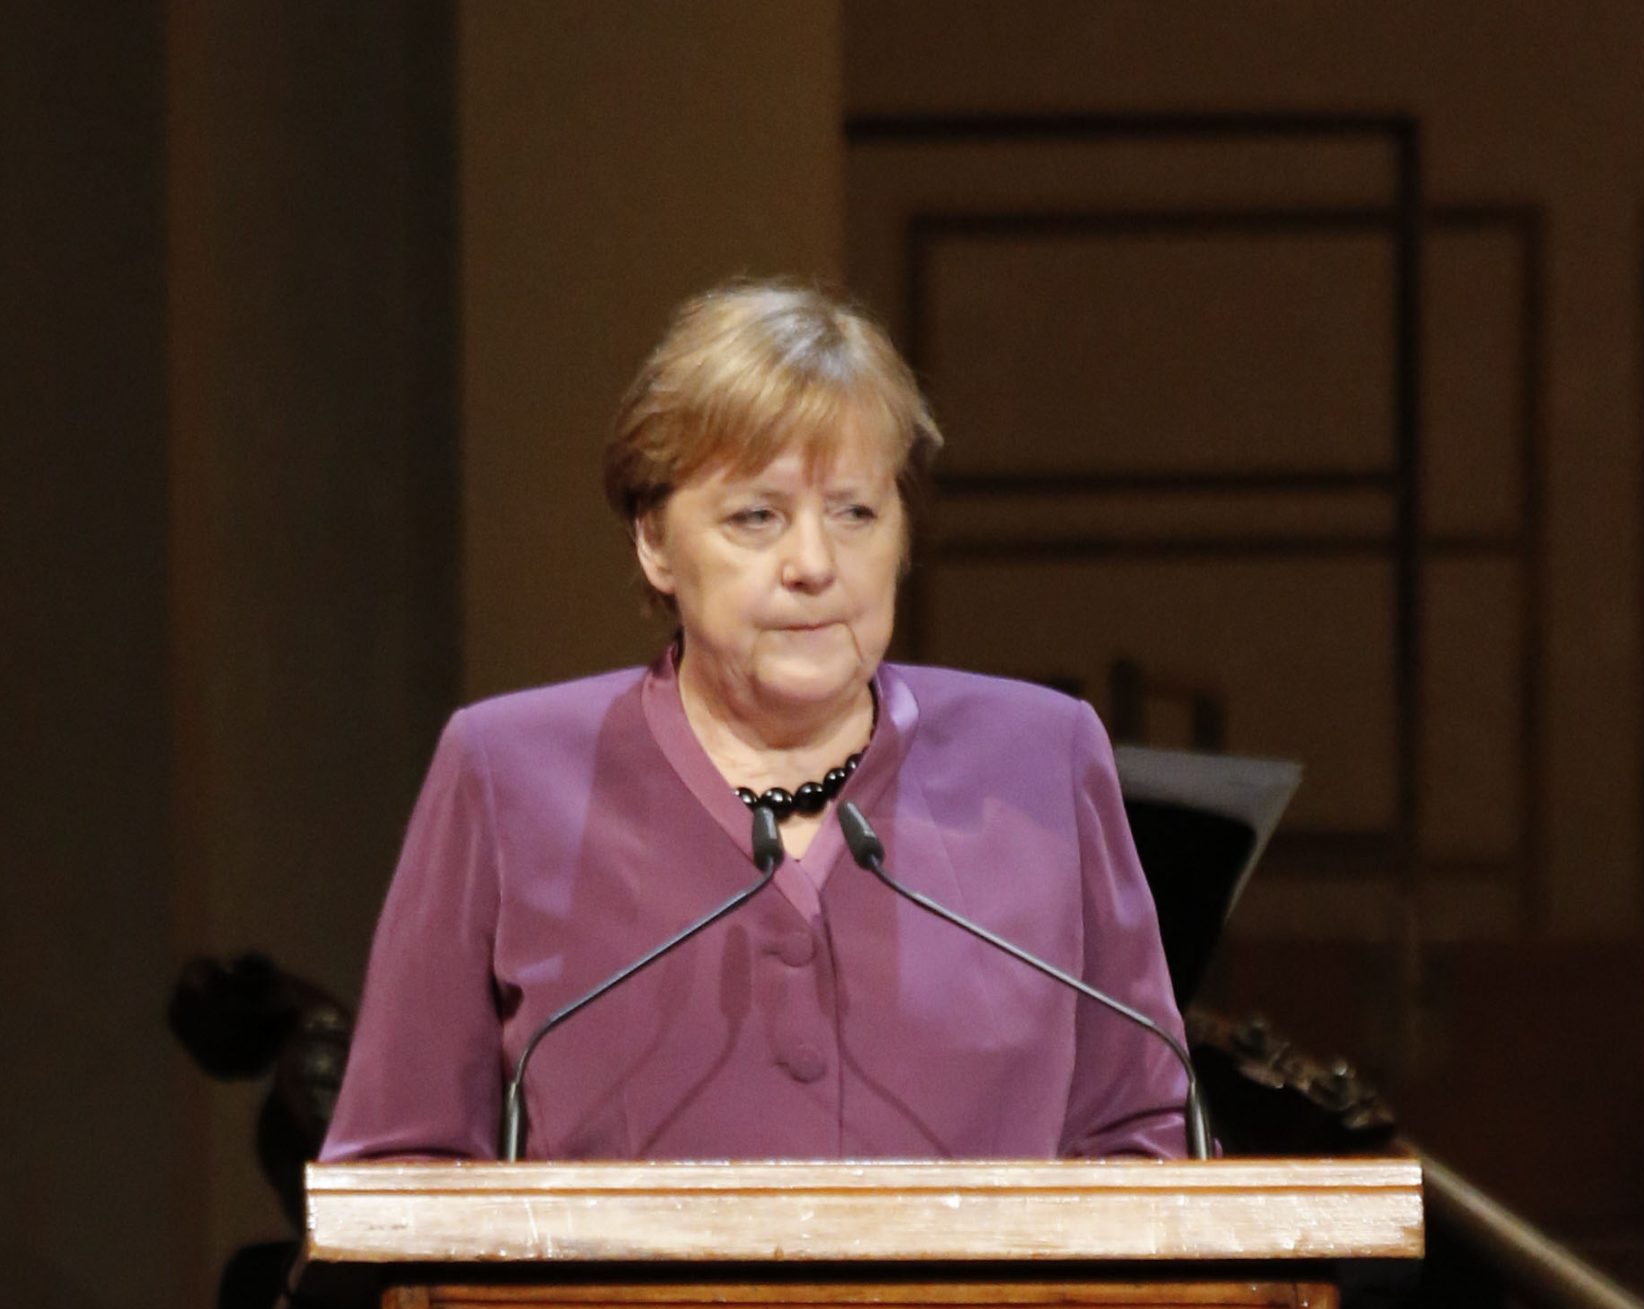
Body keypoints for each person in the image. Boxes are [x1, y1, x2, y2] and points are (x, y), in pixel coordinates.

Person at [320, 279, 1188, 1162]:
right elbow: (404, 1165)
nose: (813, 563)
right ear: (655, 542)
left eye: (855, 511)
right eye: (756, 516)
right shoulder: (507, 774)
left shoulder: (1042, 758)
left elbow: (1144, 1139)